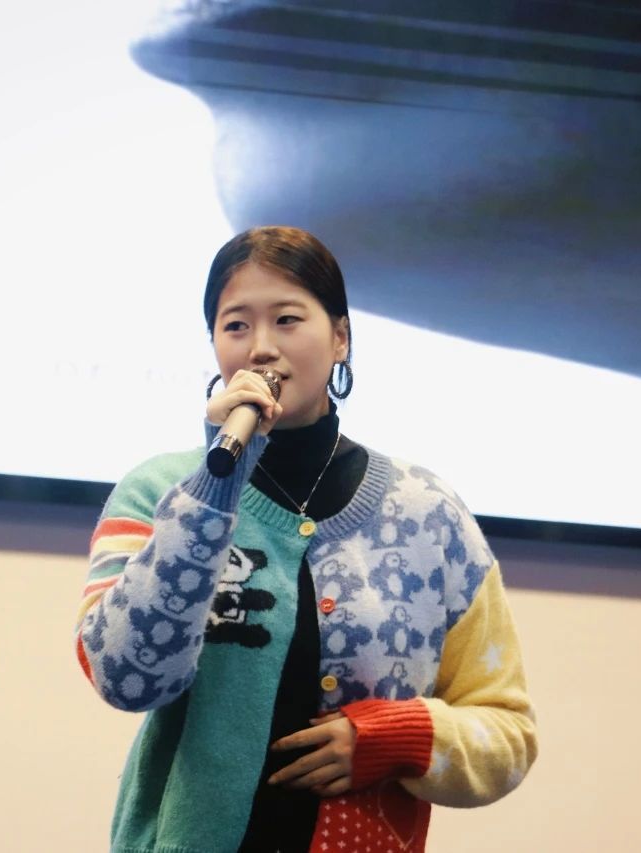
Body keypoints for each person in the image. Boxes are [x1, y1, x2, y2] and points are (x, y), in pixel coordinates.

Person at [75, 226, 536, 852]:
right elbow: (126, 677)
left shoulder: (429, 515)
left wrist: (394, 738)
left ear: (340, 337)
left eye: (287, 319)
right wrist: (215, 489)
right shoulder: (160, 491)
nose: (261, 348)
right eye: (236, 325)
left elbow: (508, 732)